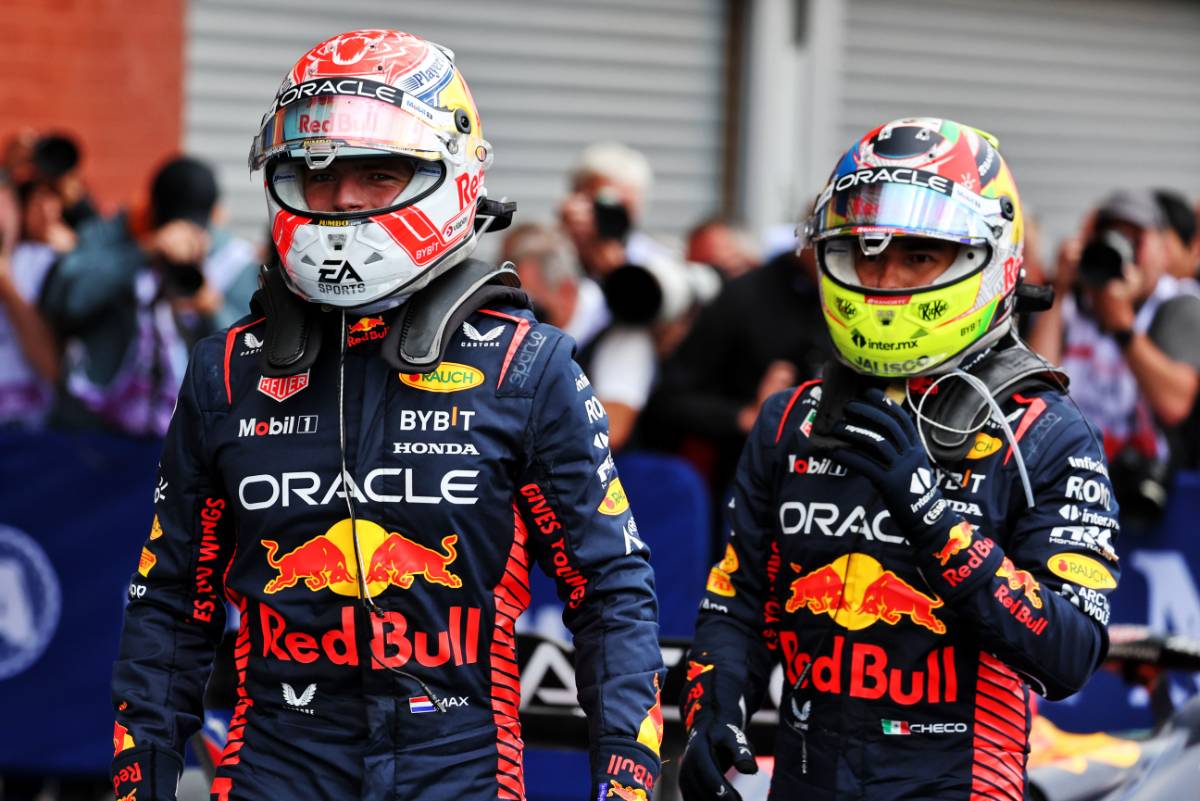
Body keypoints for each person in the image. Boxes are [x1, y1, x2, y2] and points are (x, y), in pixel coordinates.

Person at [110, 29, 664, 801]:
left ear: (453, 178)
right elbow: (171, 598)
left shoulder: (526, 368)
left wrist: (628, 774)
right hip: (277, 763)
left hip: (459, 766)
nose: (341, 199)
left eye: (378, 174)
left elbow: (611, 589)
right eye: (317, 171)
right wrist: (143, 774)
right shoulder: (226, 370)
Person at [679, 118, 1120, 800]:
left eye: (919, 256)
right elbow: (739, 599)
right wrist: (715, 703)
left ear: (991, 259)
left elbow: (1069, 656)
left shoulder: (1044, 433)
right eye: (866, 252)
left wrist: (933, 517)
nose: (883, 278)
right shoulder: (789, 419)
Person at [39, 155, 251, 436]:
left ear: (214, 215)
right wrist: (144, 251)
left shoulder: (234, 259)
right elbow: (65, 300)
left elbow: (252, 358)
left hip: (190, 438)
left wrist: (210, 306)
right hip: (97, 428)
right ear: (152, 208)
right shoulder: (113, 235)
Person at [1028, 189, 1200, 522]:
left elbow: (1175, 403)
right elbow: (1035, 388)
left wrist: (1122, 325)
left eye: (1135, 240)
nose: (1122, 251)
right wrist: (1060, 290)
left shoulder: (1178, 305)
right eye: (1112, 236)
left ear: (1161, 249)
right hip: (1063, 486)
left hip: (1148, 498)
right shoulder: (1072, 304)